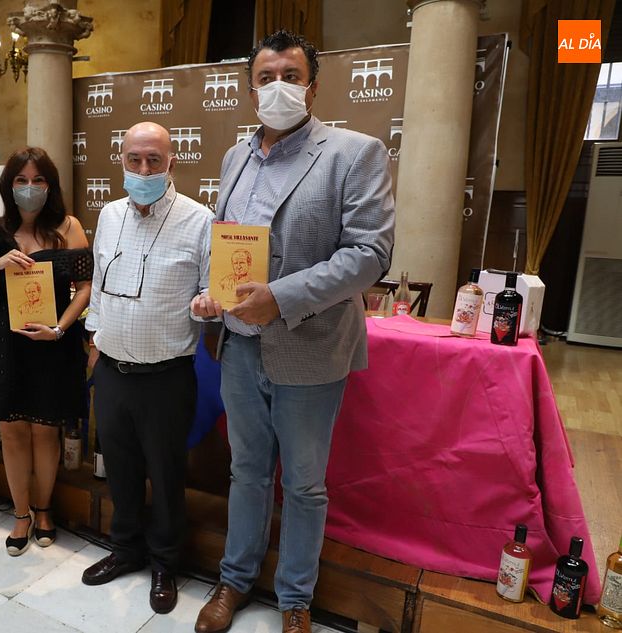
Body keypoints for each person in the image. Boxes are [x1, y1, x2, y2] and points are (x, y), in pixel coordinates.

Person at [191, 30, 395, 633]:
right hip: (238, 349)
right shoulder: (234, 157)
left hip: (309, 347)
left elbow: (369, 254)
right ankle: (233, 581)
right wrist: (215, 294)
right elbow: (230, 244)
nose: (277, 86)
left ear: (312, 83)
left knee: (304, 485)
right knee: (246, 472)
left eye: (290, 74)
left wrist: (279, 299)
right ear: (248, 86)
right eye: (265, 76)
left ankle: (294, 599)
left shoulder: (354, 152)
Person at [82, 122, 212, 615]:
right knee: (120, 469)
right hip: (112, 370)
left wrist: (206, 304)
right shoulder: (109, 214)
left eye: (153, 161)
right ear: (121, 161)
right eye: (134, 160)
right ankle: (125, 549)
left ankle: (164, 562)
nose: (143, 169)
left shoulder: (200, 221)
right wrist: (93, 341)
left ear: (171, 162)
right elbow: (98, 282)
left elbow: (209, 289)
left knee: (166, 472)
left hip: (166, 376)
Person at [0, 147, 91, 556]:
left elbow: (87, 288)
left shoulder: (68, 227)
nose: (30, 188)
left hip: (52, 343)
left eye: (38, 180)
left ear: (50, 186)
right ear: (8, 185)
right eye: (21, 180)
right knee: (14, 431)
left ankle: (45, 509)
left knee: (46, 430)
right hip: (5, 343)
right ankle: (21, 515)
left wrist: (60, 328)